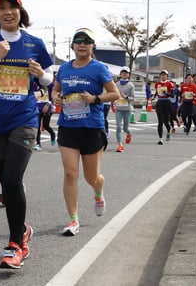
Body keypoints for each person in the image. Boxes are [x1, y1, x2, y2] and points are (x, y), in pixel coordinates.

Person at [0, 0, 53, 269]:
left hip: (25, 120)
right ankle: (23, 230)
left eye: (13, 7)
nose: (8, 12)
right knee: (8, 184)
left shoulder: (34, 43)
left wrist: (41, 75)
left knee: (15, 179)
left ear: (20, 11)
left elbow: (48, 77)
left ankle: (15, 244)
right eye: (2, 7)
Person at [52, 28, 119, 237]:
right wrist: (55, 96)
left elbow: (114, 93)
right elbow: (56, 88)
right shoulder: (64, 68)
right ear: (73, 45)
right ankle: (73, 219)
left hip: (92, 127)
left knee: (92, 177)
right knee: (70, 173)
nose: (82, 44)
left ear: (92, 46)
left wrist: (95, 99)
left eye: (86, 41)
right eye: (78, 41)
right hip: (68, 126)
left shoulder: (98, 68)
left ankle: (98, 191)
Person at [113, 67, 135, 152]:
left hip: (127, 109)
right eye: (123, 72)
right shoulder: (116, 84)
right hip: (118, 108)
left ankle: (128, 133)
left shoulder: (131, 85)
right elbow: (113, 93)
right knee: (118, 127)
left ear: (129, 74)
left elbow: (133, 98)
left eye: (126, 73)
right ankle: (120, 145)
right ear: (120, 74)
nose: (124, 74)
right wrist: (114, 100)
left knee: (125, 128)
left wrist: (125, 97)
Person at [34, 80, 56, 151]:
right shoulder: (33, 82)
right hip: (37, 107)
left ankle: (52, 134)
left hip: (47, 107)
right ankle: (38, 144)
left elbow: (53, 95)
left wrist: (48, 105)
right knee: (37, 126)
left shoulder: (49, 83)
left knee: (46, 125)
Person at [153, 70, 174, 145]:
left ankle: (168, 131)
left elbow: (173, 95)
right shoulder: (157, 84)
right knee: (160, 121)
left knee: (166, 122)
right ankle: (160, 139)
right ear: (160, 76)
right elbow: (156, 92)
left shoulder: (169, 84)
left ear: (167, 76)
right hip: (159, 103)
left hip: (167, 103)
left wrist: (167, 93)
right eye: (162, 75)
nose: (163, 76)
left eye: (165, 75)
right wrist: (154, 97)